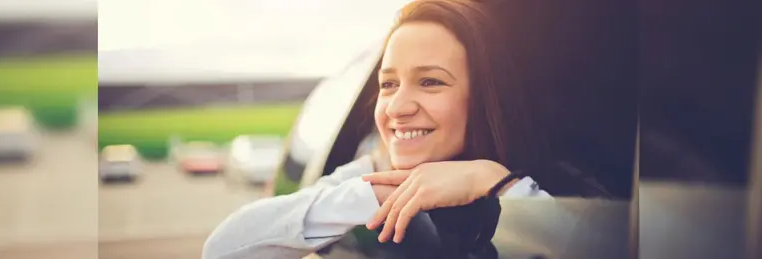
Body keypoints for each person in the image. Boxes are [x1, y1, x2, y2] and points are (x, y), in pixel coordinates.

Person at [202, 1, 552, 258]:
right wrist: (377, 194)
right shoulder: (371, 171)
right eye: (388, 84)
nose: (398, 107)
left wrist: (492, 181)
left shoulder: (552, 181)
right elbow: (221, 249)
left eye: (430, 81)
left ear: (483, 98)